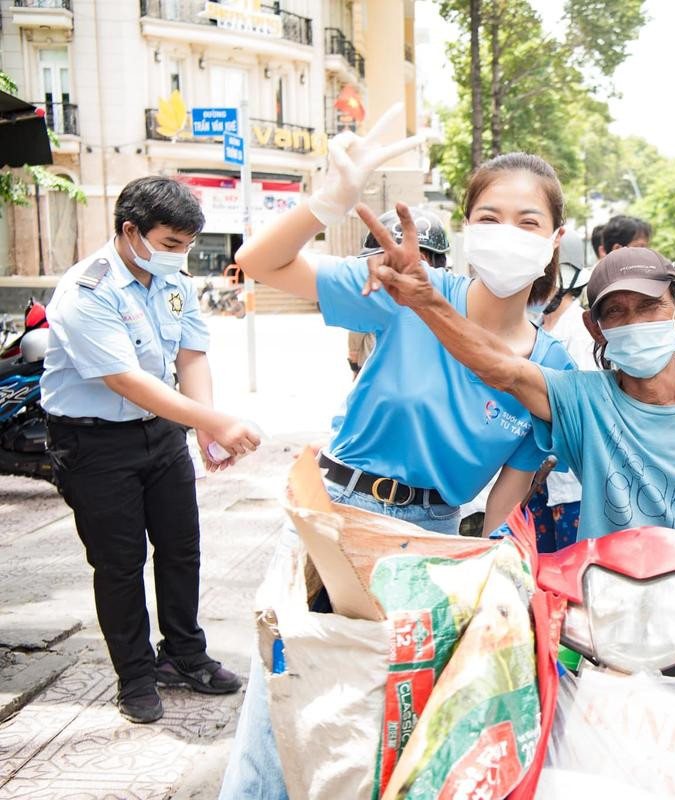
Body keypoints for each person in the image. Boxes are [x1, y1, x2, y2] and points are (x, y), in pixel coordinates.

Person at [218, 108, 572, 796]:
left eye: (528, 222)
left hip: (435, 544)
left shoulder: (551, 368)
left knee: (385, 727)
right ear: (468, 228)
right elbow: (260, 264)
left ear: (555, 238)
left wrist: (486, 548)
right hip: (340, 520)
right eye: (491, 216)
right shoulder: (407, 289)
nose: (508, 233)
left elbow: (514, 481)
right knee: (284, 712)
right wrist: (327, 202)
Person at [362, 222, 675, 551]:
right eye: (616, 312)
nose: (633, 322)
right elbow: (498, 367)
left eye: (648, 306)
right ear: (596, 330)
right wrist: (428, 302)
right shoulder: (582, 400)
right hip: (612, 617)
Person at [39, 176, 261, 724]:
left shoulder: (174, 282)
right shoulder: (86, 292)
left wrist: (203, 428)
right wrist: (216, 421)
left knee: (181, 546)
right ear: (130, 230)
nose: (179, 255)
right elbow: (127, 381)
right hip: (94, 441)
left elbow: (190, 355)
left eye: (186, 245)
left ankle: (184, 654)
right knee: (120, 564)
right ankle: (135, 675)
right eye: (169, 243)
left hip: (161, 434)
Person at [526, 231, 593, 551]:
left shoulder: (580, 334)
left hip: (571, 486)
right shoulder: (536, 324)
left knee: (572, 573)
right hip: (535, 480)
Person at [345, 206, 451, 376]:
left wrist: (354, 365)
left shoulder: (375, 292)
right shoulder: (450, 298)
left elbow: (356, 334)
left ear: (423, 259)